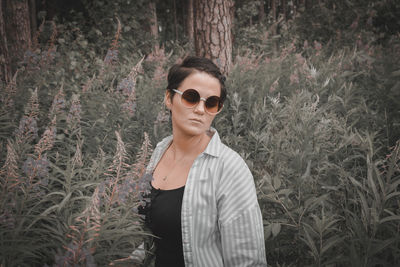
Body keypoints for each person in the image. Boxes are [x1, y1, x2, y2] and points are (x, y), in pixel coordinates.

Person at [138, 56, 267, 266]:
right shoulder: (159, 151)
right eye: (191, 97)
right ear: (169, 98)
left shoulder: (229, 169)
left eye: (211, 103)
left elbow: (247, 261)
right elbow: (147, 235)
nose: (200, 110)